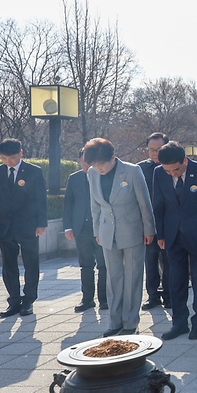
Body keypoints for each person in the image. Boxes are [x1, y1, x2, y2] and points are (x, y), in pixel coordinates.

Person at [85, 138, 156, 337]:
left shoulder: (132, 171)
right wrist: (97, 231)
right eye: (94, 164)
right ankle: (115, 321)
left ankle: (131, 321)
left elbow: (144, 203)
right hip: (107, 233)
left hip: (132, 231)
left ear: (113, 157)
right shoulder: (92, 174)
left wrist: (149, 230)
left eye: (102, 163)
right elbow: (95, 205)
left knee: (132, 277)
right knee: (113, 278)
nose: (99, 168)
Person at [152, 141, 197, 341]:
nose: (173, 174)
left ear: (185, 160)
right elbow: (158, 205)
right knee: (175, 281)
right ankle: (179, 322)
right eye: (168, 171)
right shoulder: (158, 173)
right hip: (173, 236)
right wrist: (160, 235)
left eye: (176, 169)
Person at [0, 138, 48, 318]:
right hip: (4, 225)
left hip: (28, 225)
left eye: (12, 158)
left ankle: (28, 300)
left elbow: (40, 199)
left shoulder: (34, 171)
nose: (8, 162)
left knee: (30, 263)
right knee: (8, 265)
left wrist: (41, 223)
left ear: (21, 153)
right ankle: (14, 300)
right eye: (4, 158)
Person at [64, 148, 107, 313]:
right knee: (85, 264)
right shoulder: (74, 178)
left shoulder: (104, 175)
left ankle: (104, 298)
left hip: (101, 227)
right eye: (83, 165)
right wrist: (68, 227)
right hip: (81, 227)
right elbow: (68, 203)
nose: (86, 168)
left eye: (89, 164)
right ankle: (87, 299)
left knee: (104, 264)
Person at [138, 132, 171, 311]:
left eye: (159, 149)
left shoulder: (173, 166)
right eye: (151, 149)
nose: (155, 153)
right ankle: (152, 296)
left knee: (169, 261)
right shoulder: (141, 169)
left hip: (168, 222)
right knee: (150, 261)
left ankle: (169, 295)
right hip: (148, 224)